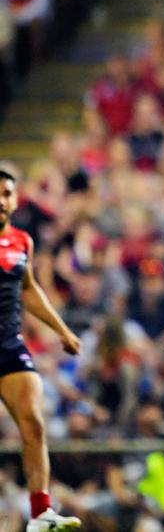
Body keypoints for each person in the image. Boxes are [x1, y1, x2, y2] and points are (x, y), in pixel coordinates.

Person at [0, 169, 82, 530]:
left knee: (33, 423)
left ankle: (40, 513)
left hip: (7, 344)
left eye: (7, 193)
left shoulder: (22, 241)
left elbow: (29, 289)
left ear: (16, 200)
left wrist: (62, 330)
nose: (1, 200)